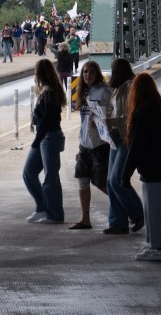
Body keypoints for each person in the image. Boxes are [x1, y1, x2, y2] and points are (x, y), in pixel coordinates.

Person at [121, 73, 161, 261]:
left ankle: (156, 247)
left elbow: (137, 146)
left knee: (152, 210)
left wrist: (125, 174)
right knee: (157, 207)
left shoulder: (143, 111)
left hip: (152, 169)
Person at [102, 58, 145, 235]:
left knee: (116, 180)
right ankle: (117, 223)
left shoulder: (128, 87)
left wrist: (111, 120)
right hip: (115, 137)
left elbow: (130, 116)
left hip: (125, 138)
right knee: (110, 182)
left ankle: (138, 213)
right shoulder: (118, 88)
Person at [23, 59, 66, 224]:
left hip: (49, 137)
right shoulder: (48, 90)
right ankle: (42, 207)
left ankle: (55, 214)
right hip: (45, 137)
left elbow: (47, 120)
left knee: (51, 177)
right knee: (29, 172)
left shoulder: (49, 93)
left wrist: (36, 140)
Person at [70, 62, 112, 230]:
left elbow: (112, 113)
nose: (87, 75)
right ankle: (85, 218)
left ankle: (127, 209)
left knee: (101, 182)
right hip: (84, 145)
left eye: (91, 72)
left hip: (100, 144)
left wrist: (102, 121)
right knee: (82, 180)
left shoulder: (104, 92)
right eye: (85, 72)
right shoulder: (83, 92)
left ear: (97, 74)